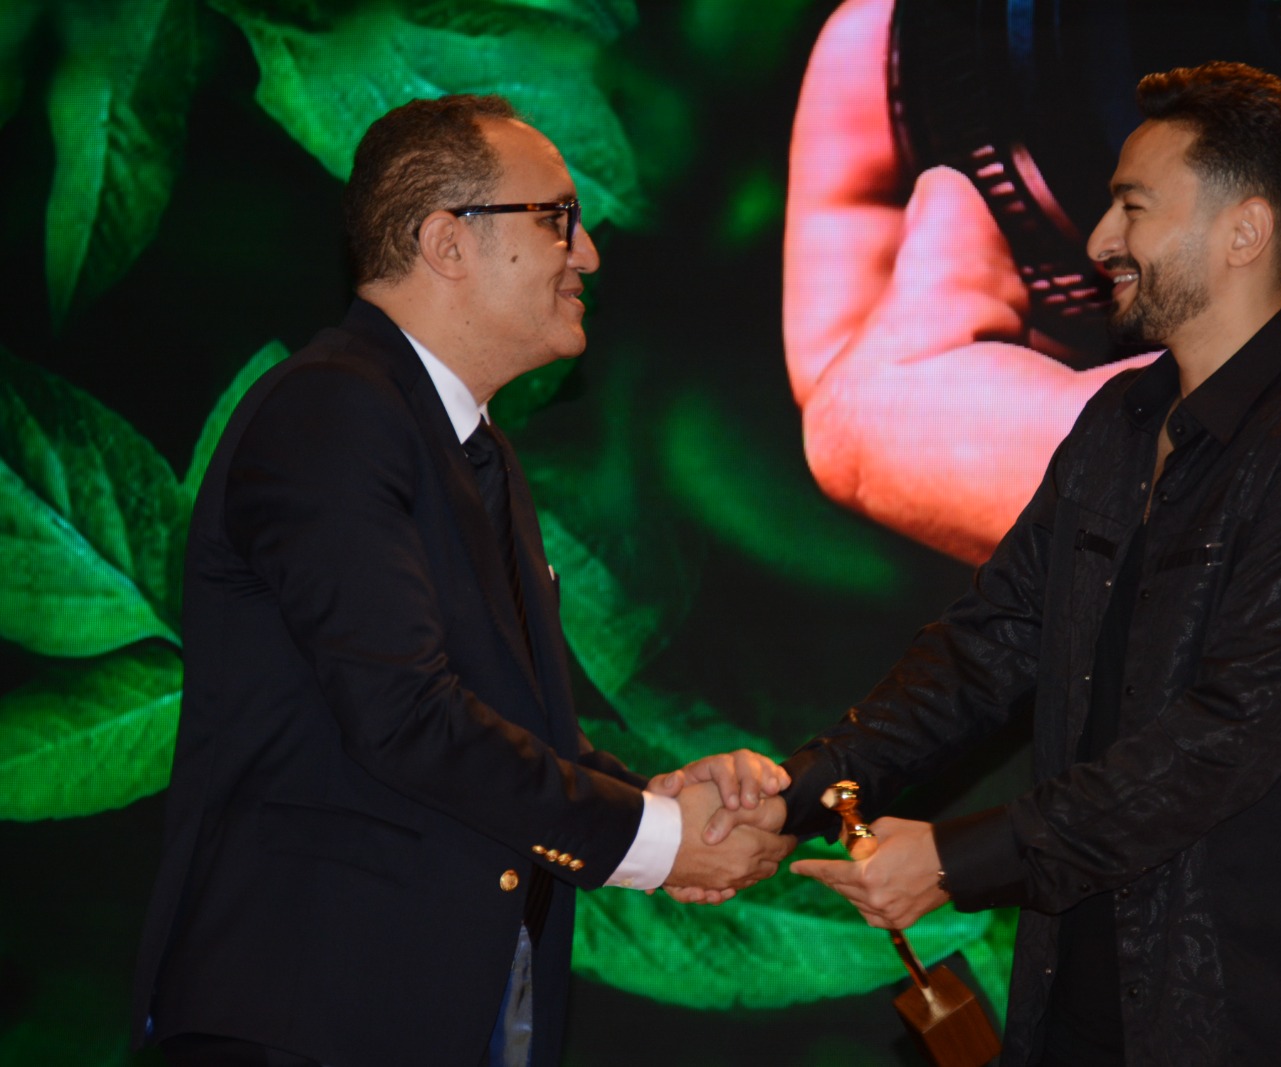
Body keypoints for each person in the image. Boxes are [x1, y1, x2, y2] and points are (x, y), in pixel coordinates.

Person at [782, 0, 1281, 1058]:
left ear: (1243, 232)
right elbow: (998, 642)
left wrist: (955, 859)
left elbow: (1229, 732)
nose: (1097, 240)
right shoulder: (1117, 423)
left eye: (1132, 207)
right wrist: (800, 789)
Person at [131, 94, 794, 1067]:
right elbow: (406, 717)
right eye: (557, 218)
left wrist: (655, 793)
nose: (587, 254)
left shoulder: (474, 449)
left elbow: (504, 727)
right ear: (447, 241)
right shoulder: (331, 412)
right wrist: (657, 836)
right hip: (313, 1015)